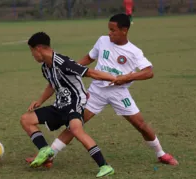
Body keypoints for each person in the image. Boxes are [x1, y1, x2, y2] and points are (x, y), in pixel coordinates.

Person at [26, 14, 178, 168]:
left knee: (141, 125)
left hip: (119, 93)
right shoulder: (102, 41)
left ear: (124, 30)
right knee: (74, 125)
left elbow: (148, 72)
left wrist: (126, 77)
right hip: (96, 91)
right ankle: (50, 155)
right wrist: (69, 70)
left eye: (113, 30)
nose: (110, 33)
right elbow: (88, 58)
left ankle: (161, 154)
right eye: (109, 29)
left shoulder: (134, 51)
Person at [21, 32, 119, 178]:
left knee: (76, 129)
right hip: (60, 105)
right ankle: (45, 150)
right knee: (26, 119)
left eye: (32, 51)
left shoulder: (63, 63)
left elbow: (90, 72)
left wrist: (114, 78)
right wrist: (40, 101)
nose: (32, 55)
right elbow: (52, 85)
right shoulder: (45, 67)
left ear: (39, 48)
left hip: (75, 103)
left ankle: (105, 166)